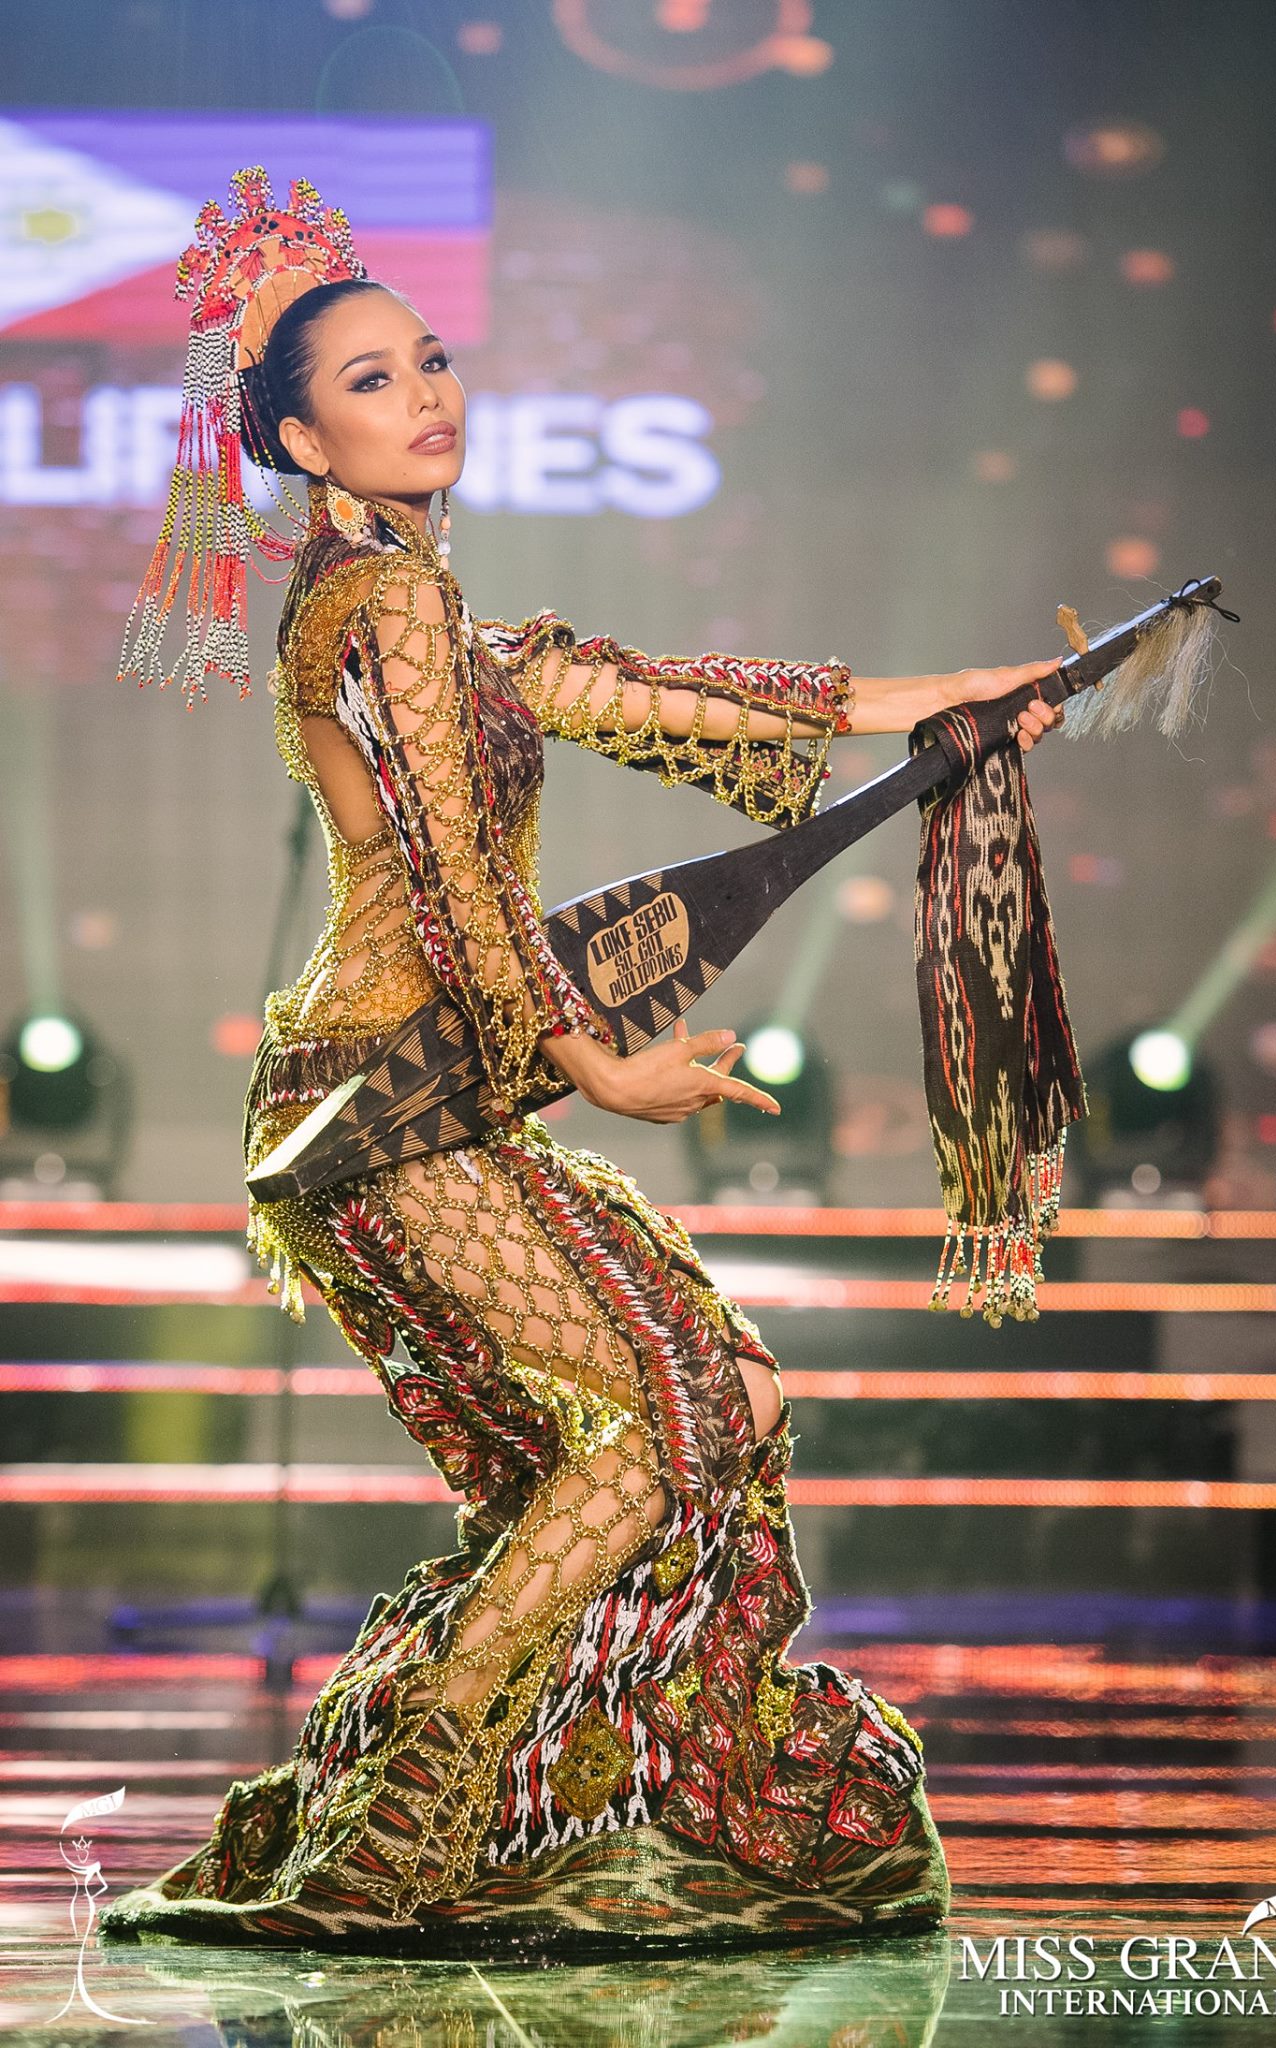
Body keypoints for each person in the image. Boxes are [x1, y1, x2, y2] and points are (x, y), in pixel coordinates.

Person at [103, 173, 1061, 1953]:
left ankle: (466, 1794)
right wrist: (591, 1063)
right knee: (653, 1421)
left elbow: (671, 698)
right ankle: (403, 1832)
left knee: (721, 1408)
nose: (428, 394)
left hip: (428, 1092)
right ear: (304, 440)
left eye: (434, 358)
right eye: (374, 381)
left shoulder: (433, 615)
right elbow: (460, 874)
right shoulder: (376, 609)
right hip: (391, 1098)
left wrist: (961, 700)